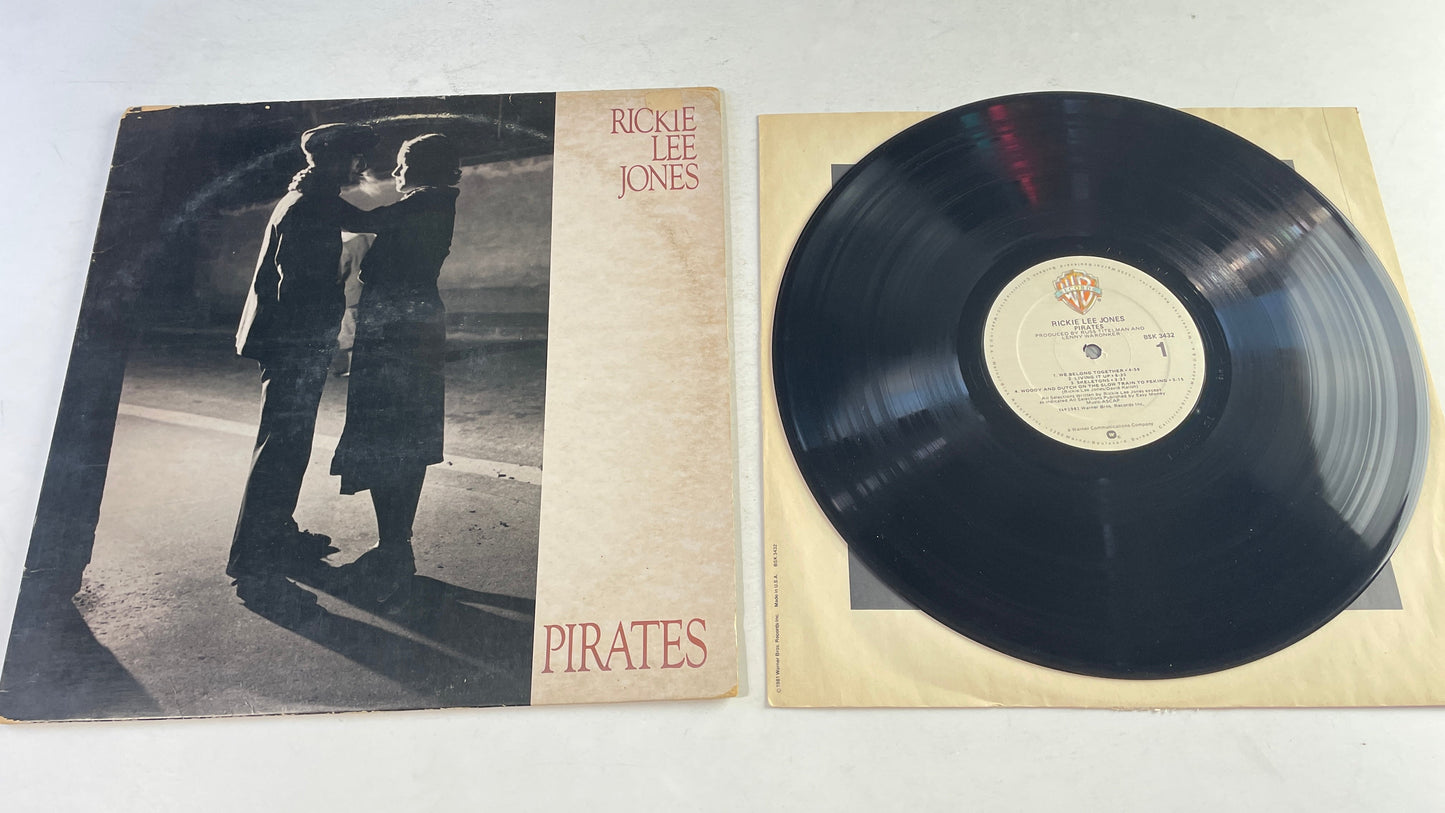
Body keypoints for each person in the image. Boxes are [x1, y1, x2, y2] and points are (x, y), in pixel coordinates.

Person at [228, 123, 378, 580]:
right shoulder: (311, 203)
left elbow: (366, 220)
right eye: (356, 157)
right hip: (294, 343)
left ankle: (274, 533)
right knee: (283, 445)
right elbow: (295, 284)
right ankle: (255, 552)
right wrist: (318, 340)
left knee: (287, 443)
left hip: (290, 341)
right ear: (336, 159)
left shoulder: (311, 195)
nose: (361, 165)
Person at [331, 134, 462, 594]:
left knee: (389, 433)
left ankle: (393, 549)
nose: (398, 172)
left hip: (396, 328)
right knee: (403, 434)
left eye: (404, 163)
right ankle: (394, 544)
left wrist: (320, 188)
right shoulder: (434, 201)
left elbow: (361, 218)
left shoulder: (425, 201)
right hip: (411, 322)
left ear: (424, 167)